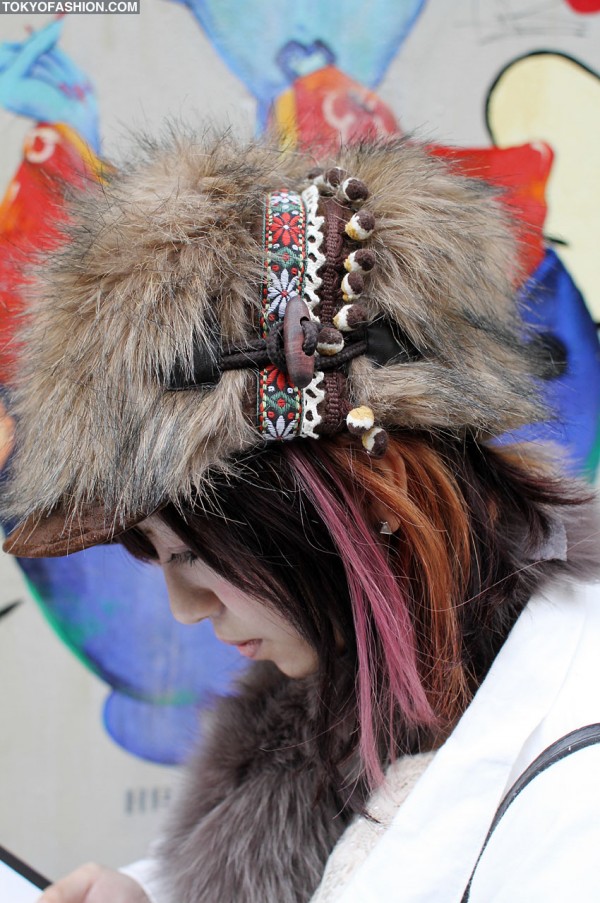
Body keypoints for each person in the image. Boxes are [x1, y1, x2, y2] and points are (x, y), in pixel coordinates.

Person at [3, 131, 600, 903]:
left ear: (366, 492)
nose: (185, 609)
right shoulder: (338, 703)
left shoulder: (574, 789)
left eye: (186, 552)